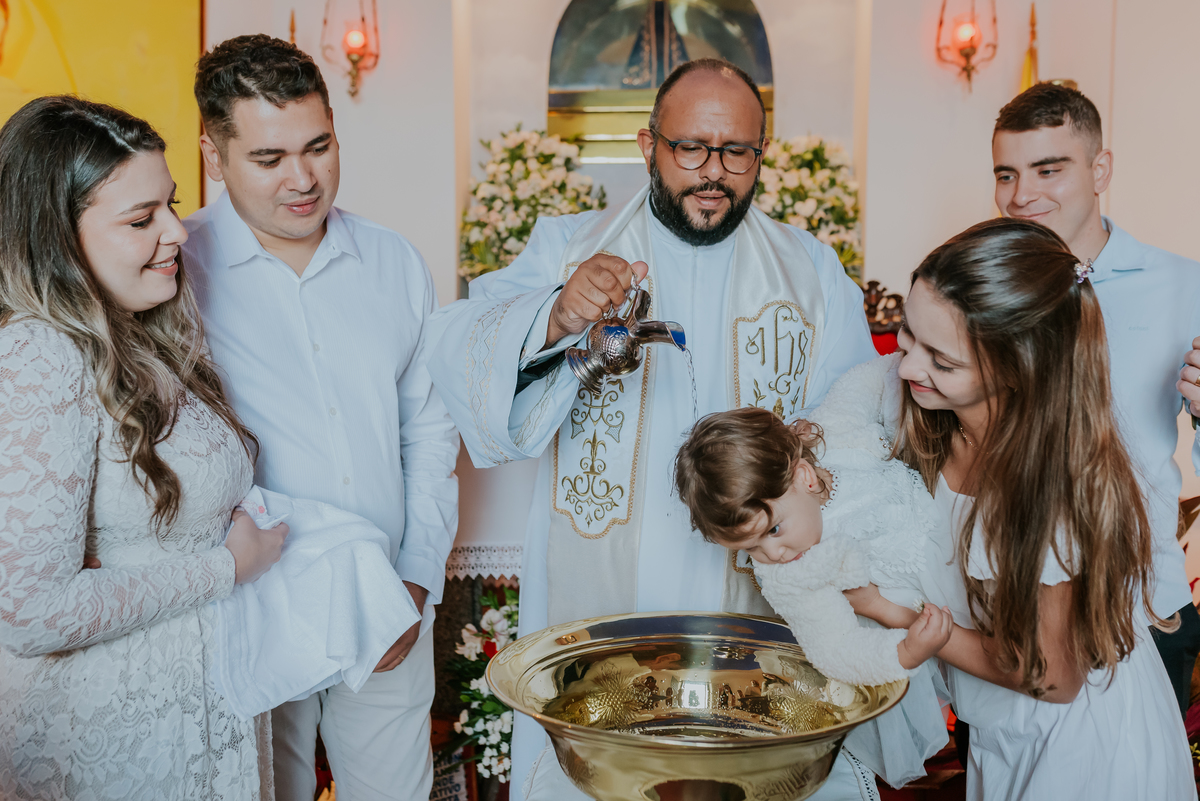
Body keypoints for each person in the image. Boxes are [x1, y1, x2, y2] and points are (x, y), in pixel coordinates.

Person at [429, 58, 878, 799]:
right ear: (648, 146)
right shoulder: (566, 248)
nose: (714, 172)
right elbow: (456, 346)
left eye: (737, 152)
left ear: (761, 154)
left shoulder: (810, 270)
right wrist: (558, 313)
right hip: (608, 595)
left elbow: (859, 422)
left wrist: (813, 450)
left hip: (759, 593)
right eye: (690, 149)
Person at [182, 35, 459, 801]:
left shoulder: (394, 261)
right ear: (213, 153)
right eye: (269, 159)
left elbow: (427, 435)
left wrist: (415, 578)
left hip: (386, 599)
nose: (303, 180)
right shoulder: (178, 274)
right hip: (255, 606)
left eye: (319, 146)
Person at [0, 96, 287, 799]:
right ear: (56, 236)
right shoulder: (39, 353)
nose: (178, 233)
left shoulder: (143, 331)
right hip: (108, 737)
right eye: (141, 219)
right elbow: (31, 609)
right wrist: (225, 566)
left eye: (171, 204)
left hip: (197, 713)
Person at [850, 218, 1193, 799]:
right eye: (909, 337)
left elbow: (1052, 679)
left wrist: (891, 612)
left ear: (1017, 369)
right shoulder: (937, 418)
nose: (907, 367)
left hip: (1083, 755)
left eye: (941, 359)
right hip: (1002, 733)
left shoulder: (1044, 490)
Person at [992, 82, 1200, 714]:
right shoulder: (981, 286)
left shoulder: (1183, 285)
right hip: (1007, 598)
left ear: (1099, 169)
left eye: (1048, 170)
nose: (1022, 195)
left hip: (1141, 606)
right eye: (1006, 174)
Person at [674, 362, 953, 789]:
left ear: (803, 476)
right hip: (926, 615)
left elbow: (869, 380)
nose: (772, 554)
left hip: (957, 538)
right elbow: (836, 648)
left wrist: (912, 357)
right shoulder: (793, 576)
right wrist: (907, 650)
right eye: (749, 549)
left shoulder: (835, 434)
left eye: (773, 531)